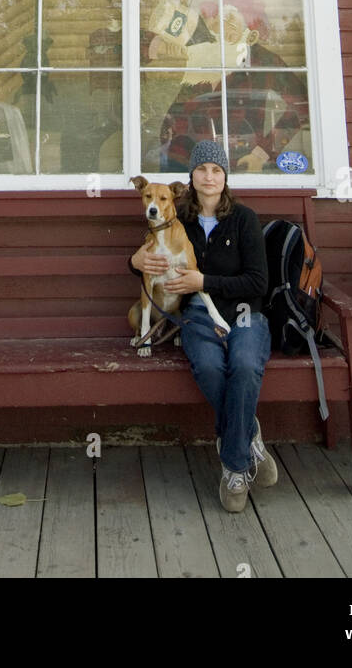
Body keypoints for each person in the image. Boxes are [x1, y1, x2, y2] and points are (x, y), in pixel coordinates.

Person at [128, 139, 278, 512]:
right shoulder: (179, 219)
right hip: (196, 313)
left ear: (225, 177)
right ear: (191, 178)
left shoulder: (244, 219)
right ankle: (248, 436)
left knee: (243, 366)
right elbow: (149, 259)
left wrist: (204, 282)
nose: (209, 176)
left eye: (216, 170)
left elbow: (259, 282)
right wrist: (134, 262)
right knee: (210, 367)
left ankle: (233, 466)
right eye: (201, 170)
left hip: (244, 312)